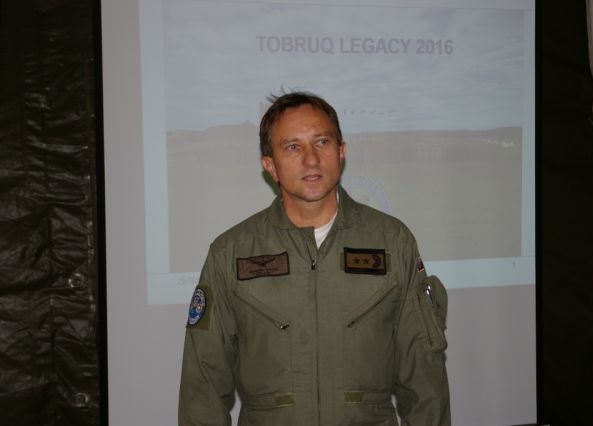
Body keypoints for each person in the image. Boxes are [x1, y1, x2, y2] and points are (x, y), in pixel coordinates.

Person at [179, 92, 450, 426]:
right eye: (293, 147)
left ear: (341, 151)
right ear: (270, 166)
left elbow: (424, 383)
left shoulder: (393, 243)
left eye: (322, 142)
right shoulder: (230, 253)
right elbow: (202, 389)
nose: (311, 159)